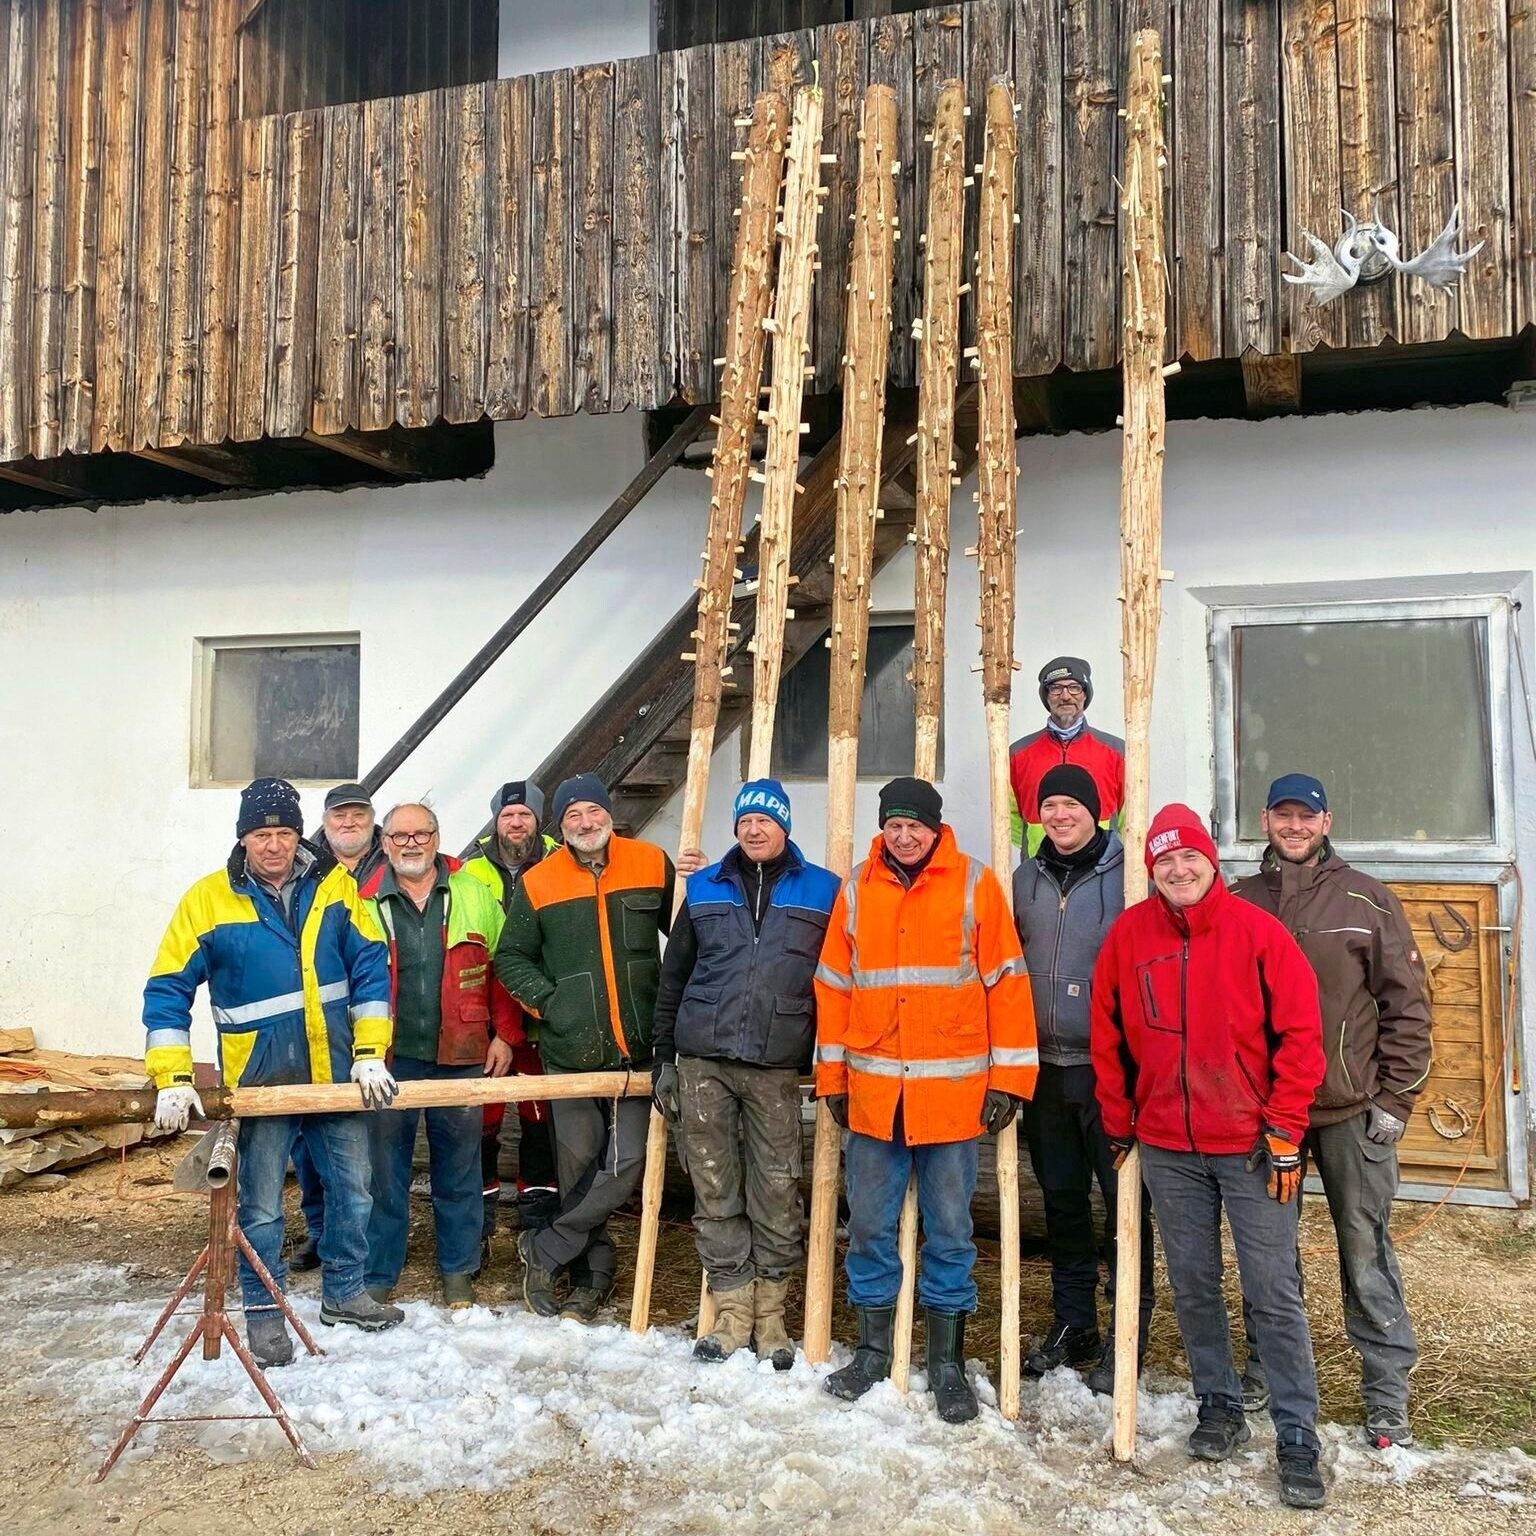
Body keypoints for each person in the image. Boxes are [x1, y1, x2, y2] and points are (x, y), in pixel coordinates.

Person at [1090, 804, 1328, 1510]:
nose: (1178, 869)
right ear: (1152, 871)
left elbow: (1301, 1035)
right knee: (1193, 1283)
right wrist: (1121, 1119)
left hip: (1253, 1147)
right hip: (1168, 1147)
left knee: (1272, 1291)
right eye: (1164, 862)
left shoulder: (1259, 933)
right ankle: (1218, 1404)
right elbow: (1106, 1034)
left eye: (1188, 857)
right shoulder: (1129, 938)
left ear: (1210, 862)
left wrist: (1286, 1131)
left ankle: (1296, 1433)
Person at [143, 777, 404, 1368]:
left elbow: (370, 968)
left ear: (297, 835)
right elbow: (167, 989)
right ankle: (265, 1316)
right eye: (261, 834)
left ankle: (345, 1292)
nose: (274, 846)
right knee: (260, 1207)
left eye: (284, 833)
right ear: (242, 838)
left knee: (354, 1191)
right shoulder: (207, 900)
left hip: (337, 1078)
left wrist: (369, 1053)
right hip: (258, 1089)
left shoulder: (335, 888)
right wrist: (173, 1075)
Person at [814, 778, 1039, 1423]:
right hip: (877, 1094)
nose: (904, 836)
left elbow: (1007, 983)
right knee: (869, 1229)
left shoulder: (974, 883)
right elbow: (833, 989)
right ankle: (872, 1350)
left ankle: (945, 1362)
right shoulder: (857, 888)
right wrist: (832, 1080)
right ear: (882, 828)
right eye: (894, 825)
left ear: (936, 829)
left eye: (916, 825)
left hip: (951, 1098)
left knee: (950, 1233)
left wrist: (1010, 1079)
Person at [1232, 773, 1431, 1449]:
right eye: (1282, 816)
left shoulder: (1365, 898)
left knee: (1364, 1246)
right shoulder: (1241, 900)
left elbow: (1407, 1005)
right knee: (1268, 1253)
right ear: (1265, 820)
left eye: (1305, 817)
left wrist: (1395, 1099)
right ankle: (1265, 1367)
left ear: (1325, 822)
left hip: (1350, 1111)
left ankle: (1385, 1393)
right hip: (1270, 1114)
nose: (1294, 826)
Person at [651, 779, 839, 1368]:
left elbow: (838, 981)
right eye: (745, 821)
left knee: (778, 1187)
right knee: (712, 1185)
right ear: (735, 828)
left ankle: (771, 1315)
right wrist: (663, 1057)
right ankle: (731, 1311)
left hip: (775, 1065)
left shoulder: (824, 890)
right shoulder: (705, 887)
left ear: (785, 826)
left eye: (766, 820)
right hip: (703, 1060)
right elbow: (674, 974)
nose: (754, 830)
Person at [494, 773, 675, 1322]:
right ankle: (590, 1276)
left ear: (609, 813)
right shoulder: (539, 881)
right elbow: (511, 958)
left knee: (627, 1159)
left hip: (640, 1050)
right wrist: (553, 1006)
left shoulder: (651, 862)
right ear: (561, 825)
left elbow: (689, 937)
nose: (585, 823)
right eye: (572, 816)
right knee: (577, 1168)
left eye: (592, 811)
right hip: (569, 1052)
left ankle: (544, 1247)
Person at [1012, 764, 1153, 1395]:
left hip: (1111, 1071)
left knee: (1126, 1205)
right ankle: (1075, 1322)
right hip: (1044, 1070)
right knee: (1062, 1202)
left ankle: (1130, 1328)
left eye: (1072, 804)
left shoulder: (1131, 879)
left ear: (1096, 811)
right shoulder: (1024, 880)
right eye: (1050, 805)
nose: (1060, 814)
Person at [361, 803, 522, 1310]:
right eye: (400, 835)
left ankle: (458, 1272)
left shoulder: (475, 892)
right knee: (386, 1173)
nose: (412, 843)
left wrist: (506, 1036)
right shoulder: (361, 900)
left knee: (460, 1169)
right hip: (390, 1060)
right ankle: (380, 1272)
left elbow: (505, 966)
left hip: (464, 1052)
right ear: (384, 843)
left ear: (437, 837)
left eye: (422, 833)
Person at [289, 781, 389, 1272]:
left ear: (373, 819)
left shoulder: (396, 860)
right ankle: (319, 1229)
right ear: (324, 823)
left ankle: (369, 1240)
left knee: (371, 1143)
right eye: (338, 816)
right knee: (312, 1143)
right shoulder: (304, 870)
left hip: (379, 1020)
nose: (348, 823)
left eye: (357, 815)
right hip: (316, 1029)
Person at [464, 781, 561, 1252]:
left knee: (540, 1118)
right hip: (486, 1015)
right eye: (507, 815)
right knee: (482, 1121)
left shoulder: (562, 863)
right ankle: (479, 1220)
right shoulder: (470, 874)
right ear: (496, 821)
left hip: (543, 1014)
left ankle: (539, 1218)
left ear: (537, 820)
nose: (516, 823)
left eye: (524, 814)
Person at [1009, 657, 1125, 856]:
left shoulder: (1115, 751)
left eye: (1074, 687)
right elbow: (1010, 818)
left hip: (1103, 866)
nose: (1065, 696)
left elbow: (1128, 818)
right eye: (1055, 688)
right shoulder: (1018, 754)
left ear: (1085, 694)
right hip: (1040, 867)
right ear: (1046, 696)